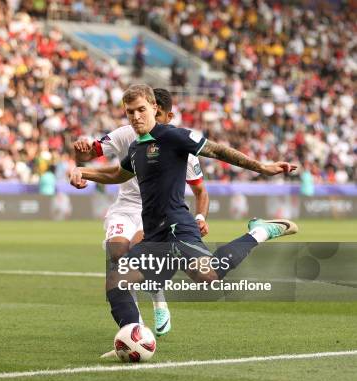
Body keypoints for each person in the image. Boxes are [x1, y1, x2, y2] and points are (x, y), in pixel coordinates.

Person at [70, 84, 297, 351]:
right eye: (130, 112)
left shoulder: (173, 136)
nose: (136, 117)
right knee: (116, 281)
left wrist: (261, 166)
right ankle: (133, 337)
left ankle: (260, 231)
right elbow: (116, 176)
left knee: (208, 276)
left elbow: (218, 150)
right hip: (154, 233)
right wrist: (82, 172)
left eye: (141, 110)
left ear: (155, 108)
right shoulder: (134, 148)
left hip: (178, 225)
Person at [73, 88, 210, 337]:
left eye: (162, 119)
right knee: (116, 251)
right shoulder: (128, 134)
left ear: (165, 115)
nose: (156, 123)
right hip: (125, 206)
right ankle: (134, 326)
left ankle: (157, 299)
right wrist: (81, 153)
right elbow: (91, 153)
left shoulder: (179, 145)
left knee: (136, 257)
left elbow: (201, 191)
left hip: (156, 213)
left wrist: (200, 217)